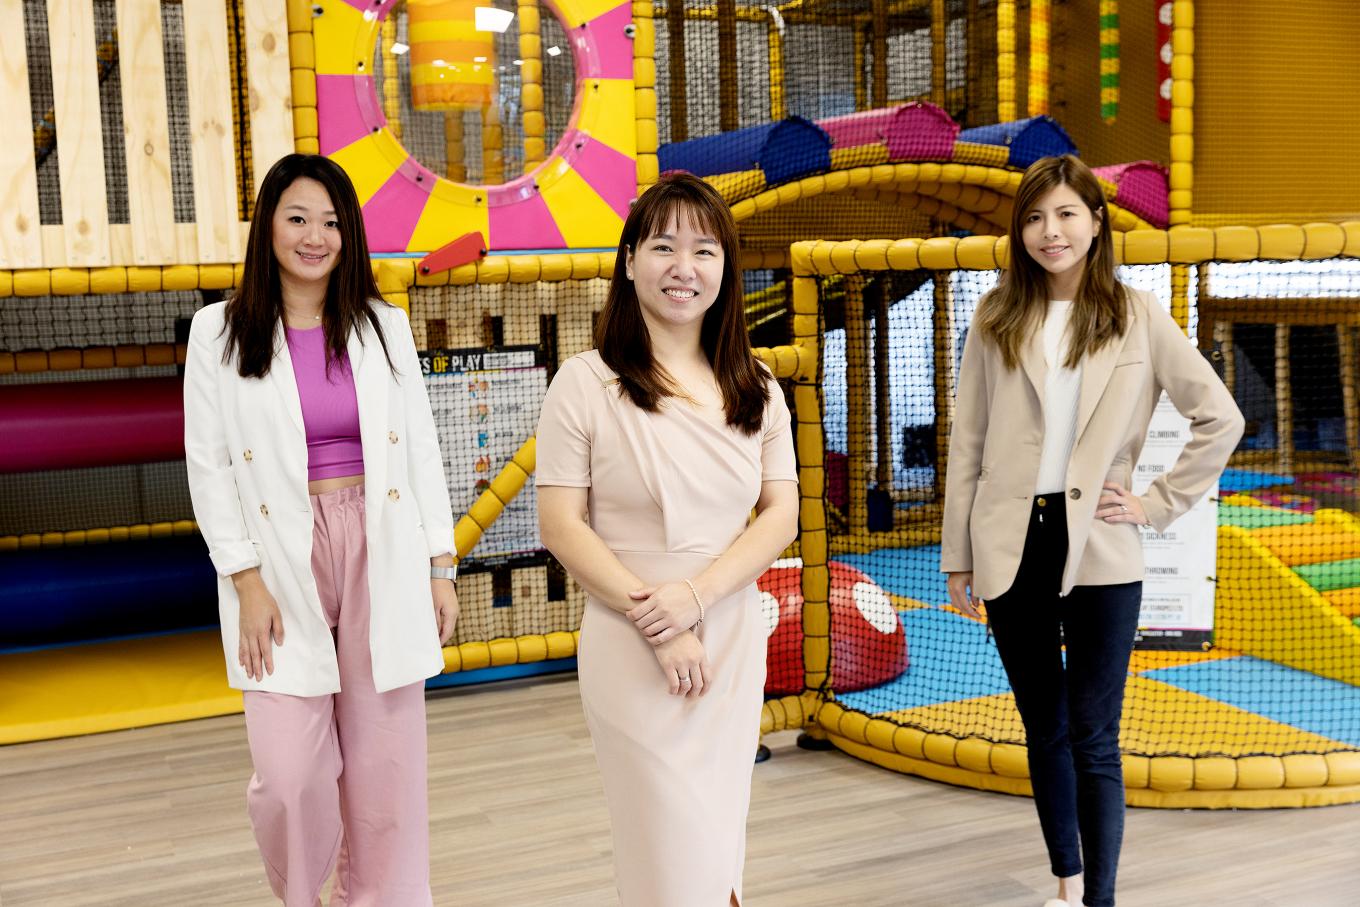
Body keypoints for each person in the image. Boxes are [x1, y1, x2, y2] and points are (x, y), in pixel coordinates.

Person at [941, 155, 1243, 907]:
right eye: (1036, 217)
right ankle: (1066, 886)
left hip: (1104, 548)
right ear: (1021, 230)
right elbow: (968, 443)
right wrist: (958, 556)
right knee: (1043, 728)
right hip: (1011, 543)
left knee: (1094, 735)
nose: (1051, 231)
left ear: (1096, 222)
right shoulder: (995, 316)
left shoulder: (1138, 313)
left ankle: (1101, 898)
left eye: (1067, 213)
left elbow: (1221, 417)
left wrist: (1156, 502)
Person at [184, 153, 459, 907]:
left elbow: (421, 445)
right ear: (268, 224)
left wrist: (441, 562)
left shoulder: (383, 326)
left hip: (382, 543)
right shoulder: (217, 331)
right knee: (289, 777)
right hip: (277, 561)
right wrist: (244, 578)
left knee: (385, 769)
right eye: (298, 217)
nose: (315, 236)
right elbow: (207, 465)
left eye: (332, 222)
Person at [536, 173, 799, 906]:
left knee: (718, 852)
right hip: (629, 640)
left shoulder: (758, 384)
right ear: (629, 261)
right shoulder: (585, 383)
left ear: (727, 266)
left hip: (730, 637)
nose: (684, 267)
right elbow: (560, 524)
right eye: (663, 246)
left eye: (704, 249)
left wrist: (698, 597)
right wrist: (660, 615)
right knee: (666, 855)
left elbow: (781, 513)